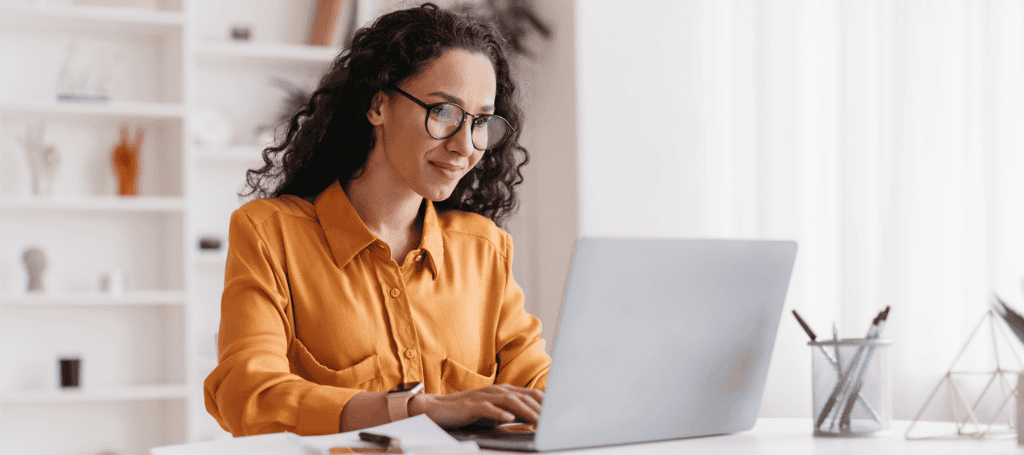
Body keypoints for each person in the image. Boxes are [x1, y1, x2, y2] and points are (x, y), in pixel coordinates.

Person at [203, 3, 551, 437]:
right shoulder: (270, 234)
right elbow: (249, 394)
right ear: (378, 106)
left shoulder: (484, 248)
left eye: (480, 121)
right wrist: (417, 409)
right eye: (443, 112)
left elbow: (538, 390)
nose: (466, 146)